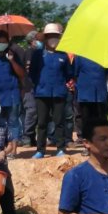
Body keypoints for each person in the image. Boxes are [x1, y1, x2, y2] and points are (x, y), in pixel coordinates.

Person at [28, 23, 73, 159]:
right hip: (42, 93)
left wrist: (61, 84)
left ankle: (60, 147)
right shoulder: (37, 55)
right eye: (50, 36)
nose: (53, 39)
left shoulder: (63, 55)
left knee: (59, 121)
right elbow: (32, 73)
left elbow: (68, 73)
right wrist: (40, 84)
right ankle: (40, 150)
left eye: (56, 36)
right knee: (42, 122)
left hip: (59, 92)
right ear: (45, 38)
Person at [72, 55, 107, 140]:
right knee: (87, 119)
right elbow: (74, 72)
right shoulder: (80, 57)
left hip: (98, 93)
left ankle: (99, 142)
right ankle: (88, 142)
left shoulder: (103, 56)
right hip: (86, 93)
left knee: (99, 119)